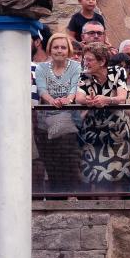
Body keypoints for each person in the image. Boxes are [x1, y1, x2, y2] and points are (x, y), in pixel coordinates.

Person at [75, 42, 130, 190]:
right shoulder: (83, 75)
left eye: (89, 60)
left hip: (116, 131)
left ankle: (118, 211)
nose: (85, 63)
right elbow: (78, 98)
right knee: (95, 175)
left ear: (102, 61)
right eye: (84, 59)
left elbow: (122, 98)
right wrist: (89, 100)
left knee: (118, 174)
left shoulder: (118, 71)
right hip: (93, 131)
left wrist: (107, 100)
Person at [34, 32, 81, 192]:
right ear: (50, 49)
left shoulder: (75, 66)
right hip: (45, 122)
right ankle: (56, 197)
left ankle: (72, 195)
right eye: (56, 47)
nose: (59, 50)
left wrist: (66, 100)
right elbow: (41, 89)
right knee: (51, 163)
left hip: (68, 121)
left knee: (68, 162)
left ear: (68, 50)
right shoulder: (41, 67)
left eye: (62, 47)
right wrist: (52, 100)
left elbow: (74, 88)